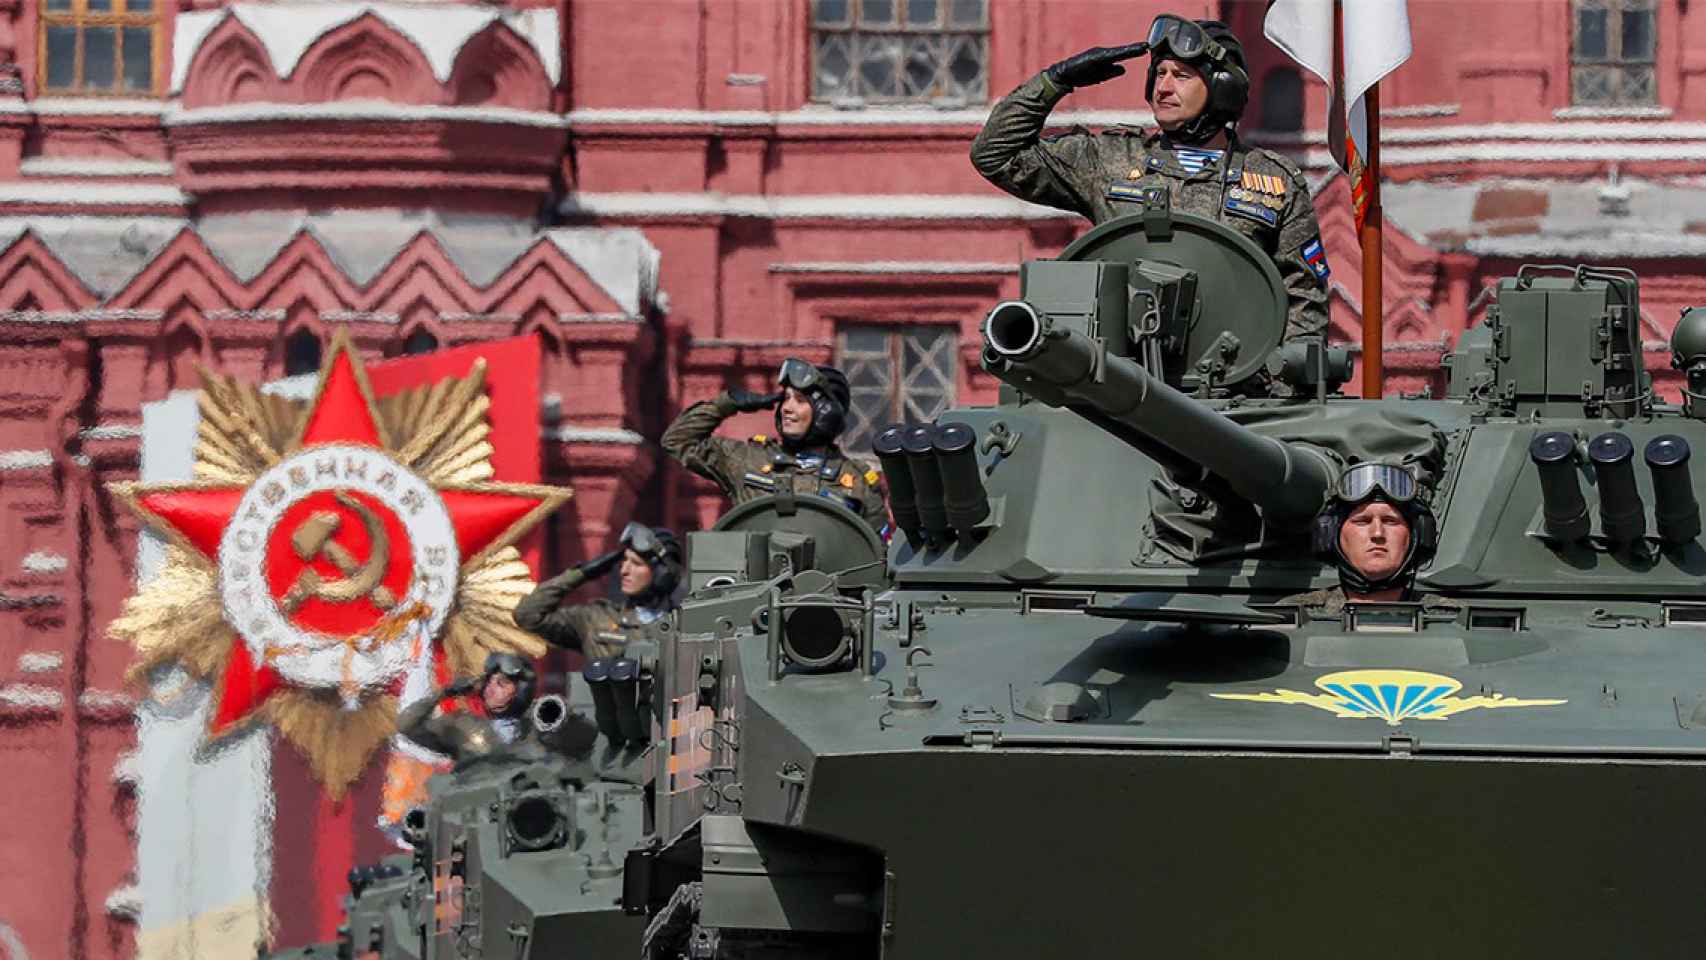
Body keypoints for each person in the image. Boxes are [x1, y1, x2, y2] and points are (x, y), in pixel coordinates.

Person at [970, 14, 1329, 342]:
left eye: (1182, 76)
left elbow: (1304, 298)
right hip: (1121, 383)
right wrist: (1056, 81)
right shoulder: (1109, 159)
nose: (1164, 87)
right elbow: (995, 154)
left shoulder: (1274, 183)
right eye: (1159, 73)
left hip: (1235, 392)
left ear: (1223, 88)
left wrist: (1278, 390)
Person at [660, 357, 889, 534]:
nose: (786, 408)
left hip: (827, 593)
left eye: (799, 400)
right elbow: (678, 440)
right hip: (755, 590)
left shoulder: (858, 482)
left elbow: (877, 554)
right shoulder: (750, 460)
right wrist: (726, 404)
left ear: (825, 412)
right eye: (785, 398)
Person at [1285, 462, 1446, 615]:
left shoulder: (1452, 619)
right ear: (1331, 534)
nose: (1377, 534)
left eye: (1390, 521)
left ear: (1417, 536)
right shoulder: (1293, 616)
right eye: (1362, 521)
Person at [512, 522, 683, 657]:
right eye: (624, 562)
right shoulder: (595, 619)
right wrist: (583, 573)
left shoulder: (686, 625)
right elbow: (527, 616)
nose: (624, 570)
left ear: (663, 575)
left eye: (636, 564)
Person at [397, 652, 543, 764]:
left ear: (520, 693)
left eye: (501, 684)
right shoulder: (462, 724)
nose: (490, 688)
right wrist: (444, 693)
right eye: (489, 681)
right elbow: (406, 726)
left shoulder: (536, 727)